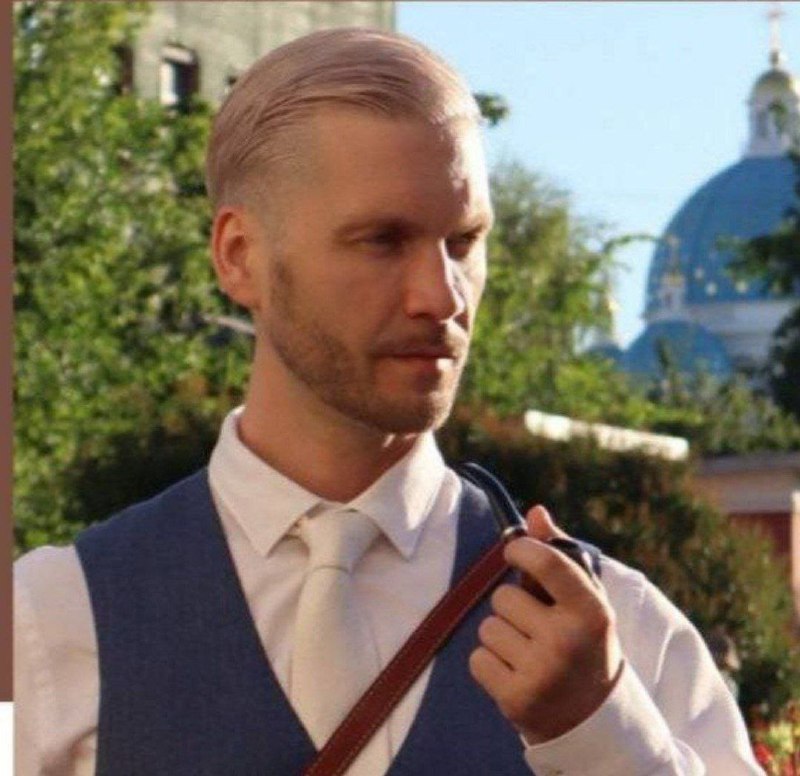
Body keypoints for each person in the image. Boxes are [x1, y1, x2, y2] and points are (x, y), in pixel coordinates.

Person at [14, 27, 762, 776]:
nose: (442, 296)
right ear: (240, 256)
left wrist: (608, 737)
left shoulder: (624, 633)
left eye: (464, 241)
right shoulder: (48, 622)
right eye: (381, 240)